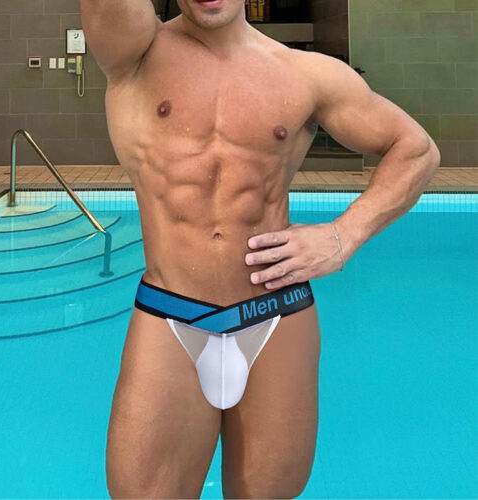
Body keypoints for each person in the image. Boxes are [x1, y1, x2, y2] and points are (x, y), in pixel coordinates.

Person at [80, 0, 441, 498]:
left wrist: (342, 236)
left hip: (276, 316)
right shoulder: (134, 53)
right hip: (170, 315)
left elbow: (416, 150)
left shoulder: (306, 74)